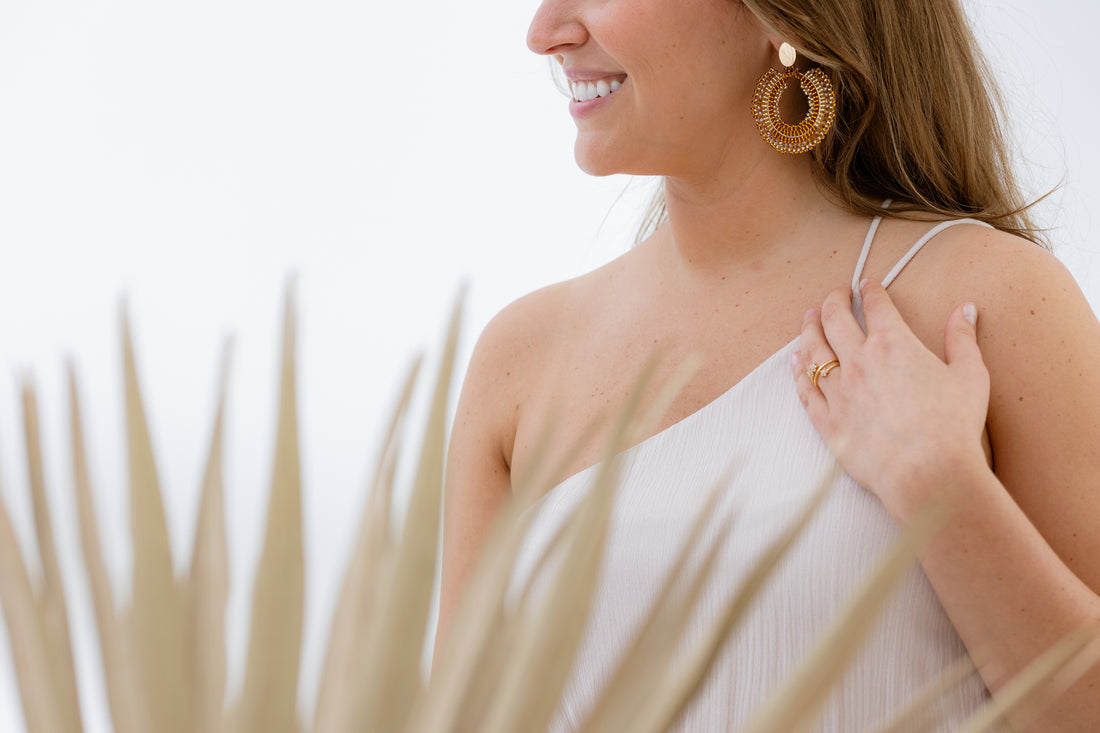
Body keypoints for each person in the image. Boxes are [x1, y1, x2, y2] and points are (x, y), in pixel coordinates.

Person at [436, 0, 1100, 730]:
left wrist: (943, 486)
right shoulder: (521, 361)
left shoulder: (988, 303)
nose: (545, 32)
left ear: (781, 19)